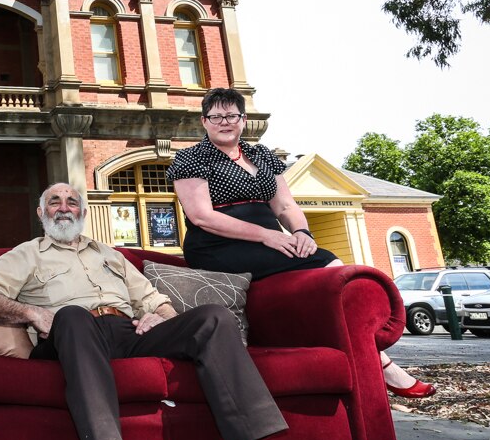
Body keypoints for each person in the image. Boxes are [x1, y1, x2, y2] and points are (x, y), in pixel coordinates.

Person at [0, 183, 329, 440]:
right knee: (73, 315)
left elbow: (155, 300)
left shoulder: (111, 255)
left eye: (72, 201)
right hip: (69, 335)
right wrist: (32, 314)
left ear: (83, 212)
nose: (64, 207)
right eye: (55, 201)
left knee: (214, 317)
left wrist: (160, 316)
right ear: (40, 212)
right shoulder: (26, 253)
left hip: (127, 332)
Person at [168, 87, 434, 398]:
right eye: (216, 117)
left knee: (327, 264)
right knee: (327, 262)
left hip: (270, 244)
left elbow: (284, 205)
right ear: (204, 121)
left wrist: (302, 234)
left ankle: (371, 355)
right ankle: (384, 364)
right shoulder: (191, 157)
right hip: (217, 246)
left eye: (231, 115)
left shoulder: (262, 155)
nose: (224, 122)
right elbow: (202, 217)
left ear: (243, 119)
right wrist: (268, 235)